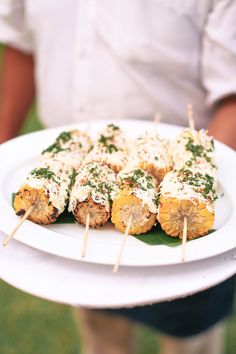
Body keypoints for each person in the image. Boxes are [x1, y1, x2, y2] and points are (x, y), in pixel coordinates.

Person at [0, 1, 235, 354]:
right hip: (78, 224)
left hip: (184, 226)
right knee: (101, 333)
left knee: (191, 339)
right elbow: (21, 44)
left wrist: (195, 176)